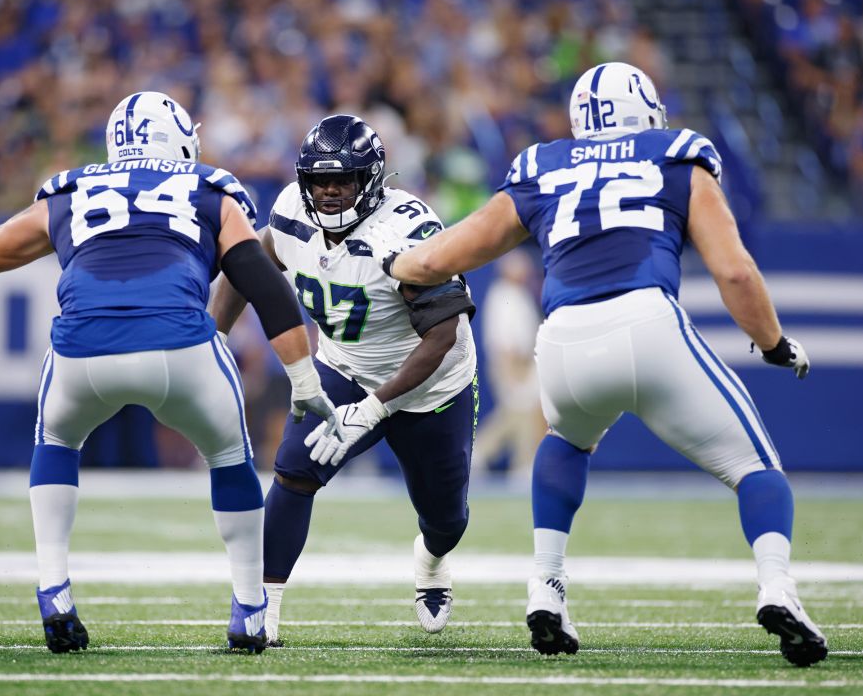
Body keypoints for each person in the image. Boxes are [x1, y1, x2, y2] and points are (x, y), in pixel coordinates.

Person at [380, 63, 828, 666]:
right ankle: (778, 588)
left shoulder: (544, 166)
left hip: (563, 337)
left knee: (566, 439)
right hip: (647, 321)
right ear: (647, 111)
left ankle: (547, 586)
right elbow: (735, 271)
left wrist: (385, 266)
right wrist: (773, 343)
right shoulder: (675, 154)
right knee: (757, 466)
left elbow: (439, 259)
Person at [0, 91, 339, 655]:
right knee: (229, 456)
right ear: (181, 140)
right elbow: (261, 283)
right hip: (181, 350)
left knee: (57, 439)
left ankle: (54, 588)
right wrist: (305, 380)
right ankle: (249, 609)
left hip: (80, 354)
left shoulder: (73, 190)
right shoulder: (211, 189)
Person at [210, 115, 479, 645]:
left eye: (343, 180)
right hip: (343, 369)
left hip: (432, 387)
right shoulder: (291, 211)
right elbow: (251, 264)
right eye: (319, 181)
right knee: (293, 471)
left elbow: (443, 335)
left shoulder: (404, 232)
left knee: (446, 520)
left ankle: (431, 563)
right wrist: (211, 340)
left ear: (371, 180)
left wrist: (375, 409)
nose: (329, 192)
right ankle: (264, 611)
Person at [472, 249, 546, 480]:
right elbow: (505, 341)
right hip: (512, 364)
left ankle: (515, 462)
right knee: (518, 414)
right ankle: (512, 462)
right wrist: (510, 371)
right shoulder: (503, 295)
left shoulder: (519, 294)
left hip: (526, 363)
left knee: (520, 415)